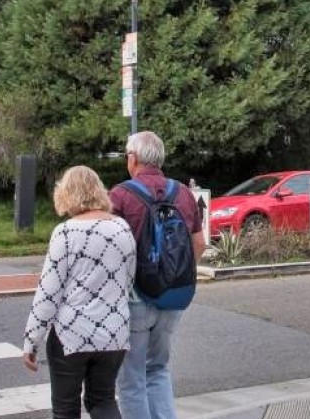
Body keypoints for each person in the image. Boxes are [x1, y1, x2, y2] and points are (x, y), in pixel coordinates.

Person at [22, 165, 138, 419]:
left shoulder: (65, 233)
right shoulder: (122, 228)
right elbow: (128, 280)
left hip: (71, 335)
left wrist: (32, 340)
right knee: (103, 400)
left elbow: (48, 293)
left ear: (66, 194)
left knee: (66, 410)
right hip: (113, 332)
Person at [109, 131, 205, 419]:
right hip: (174, 296)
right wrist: (172, 273)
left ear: (134, 158)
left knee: (132, 378)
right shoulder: (184, 194)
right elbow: (199, 244)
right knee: (159, 369)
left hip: (135, 299)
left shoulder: (121, 195)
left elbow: (111, 249)